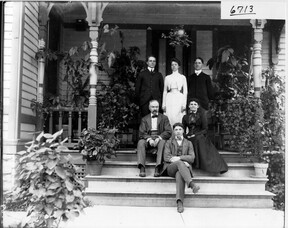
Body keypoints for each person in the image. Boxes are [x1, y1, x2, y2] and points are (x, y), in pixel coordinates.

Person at [161, 122, 200, 213]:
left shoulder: (189, 143)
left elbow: (192, 158)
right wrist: (182, 162)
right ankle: (191, 184)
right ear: (173, 132)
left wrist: (179, 158)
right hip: (170, 168)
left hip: (182, 170)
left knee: (179, 174)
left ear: (183, 131)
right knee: (179, 164)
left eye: (180, 129)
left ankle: (179, 203)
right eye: (176, 130)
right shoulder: (168, 142)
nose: (178, 131)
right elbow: (166, 157)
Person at [182, 98, 228, 174]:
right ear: (189, 106)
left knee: (198, 139)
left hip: (200, 134)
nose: (193, 106)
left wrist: (195, 135)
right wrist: (185, 136)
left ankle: (202, 164)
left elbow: (205, 129)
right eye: (191, 104)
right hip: (189, 135)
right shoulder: (185, 117)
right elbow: (182, 129)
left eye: (195, 104)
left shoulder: (202, 115)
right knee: (187, 141)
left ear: (198, 106)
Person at [137, 100, 172, 177]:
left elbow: (169, 131)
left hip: (159, 137)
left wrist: (159, 137)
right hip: (148, 138)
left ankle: (158, 167)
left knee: (163, 142)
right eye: (153, 107)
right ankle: (142, 167)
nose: (155, 108)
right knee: (140, 143)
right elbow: (142, 132)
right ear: (149, 108)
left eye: (156, 107)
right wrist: (149, 139)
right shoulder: (144, 119)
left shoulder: (164, 118)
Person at [162, 58, 187, 127]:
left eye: (175, 64)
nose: (174, 66)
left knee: (179, 116)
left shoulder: (182, 77)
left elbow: (185, 91)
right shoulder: (167, 77)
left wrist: (184, 104)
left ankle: (179, 134)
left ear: (179, 66)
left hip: (179, 98)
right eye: (172, 65)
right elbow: (164, 91)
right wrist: (163, 104)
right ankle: (169, 134)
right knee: (170, 116)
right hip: (169, 98)